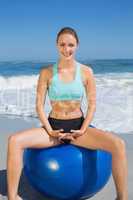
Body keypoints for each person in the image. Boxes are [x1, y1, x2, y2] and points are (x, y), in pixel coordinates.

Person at [7, 27, 128, 200]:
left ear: (77, 45)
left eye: (70, 45)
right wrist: (50, 131)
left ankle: (121, 198)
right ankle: (12, 197)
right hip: (54, 127)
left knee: (118, 145)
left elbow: (92, 105)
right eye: (62, 44)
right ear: (56, 45)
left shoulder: (86, 72)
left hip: (78, 127)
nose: (66, 49)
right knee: (14, 141)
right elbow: (39, 106)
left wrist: (83, 129)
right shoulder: (46, 72)